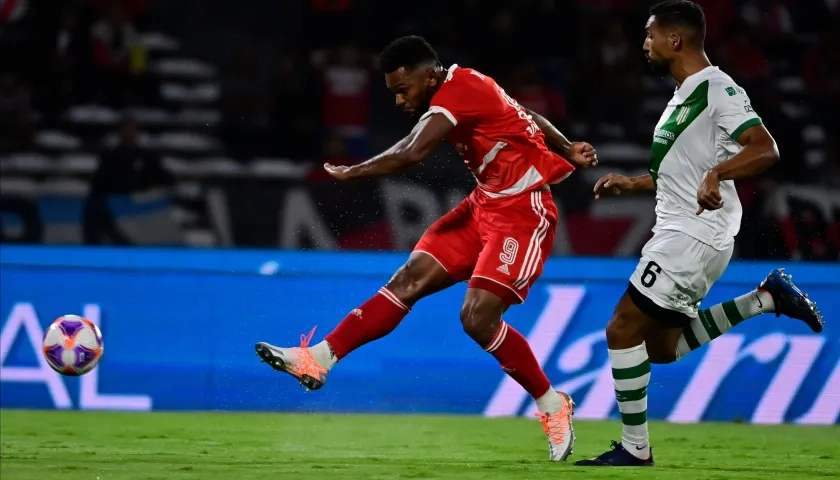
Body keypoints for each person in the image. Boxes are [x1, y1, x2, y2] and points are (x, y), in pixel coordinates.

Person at [255, 35, 598, 462]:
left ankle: (552, 403)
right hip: (484, 205)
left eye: (404, 90)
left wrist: (354, 171)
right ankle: (319, 358)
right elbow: (523, 114)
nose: (400, 101)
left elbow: (413, 151)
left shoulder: (458, 92)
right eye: (394, 93)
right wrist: (565, 146)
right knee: (407, 280)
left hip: (523, 212)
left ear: (430, 75)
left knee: (476, 318)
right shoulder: (469, 84)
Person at [574, 0, 824, 468]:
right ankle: (765, 299)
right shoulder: (682, 95)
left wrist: (718, 174)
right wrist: (635, 182)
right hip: (688, 230)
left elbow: (765, 148)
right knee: (661, 349)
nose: (644, 43)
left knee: (621, 328)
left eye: (650, 35)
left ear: (676, 39)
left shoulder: (717, 88)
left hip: (694, 232)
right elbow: (682, 169)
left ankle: (635, 449)